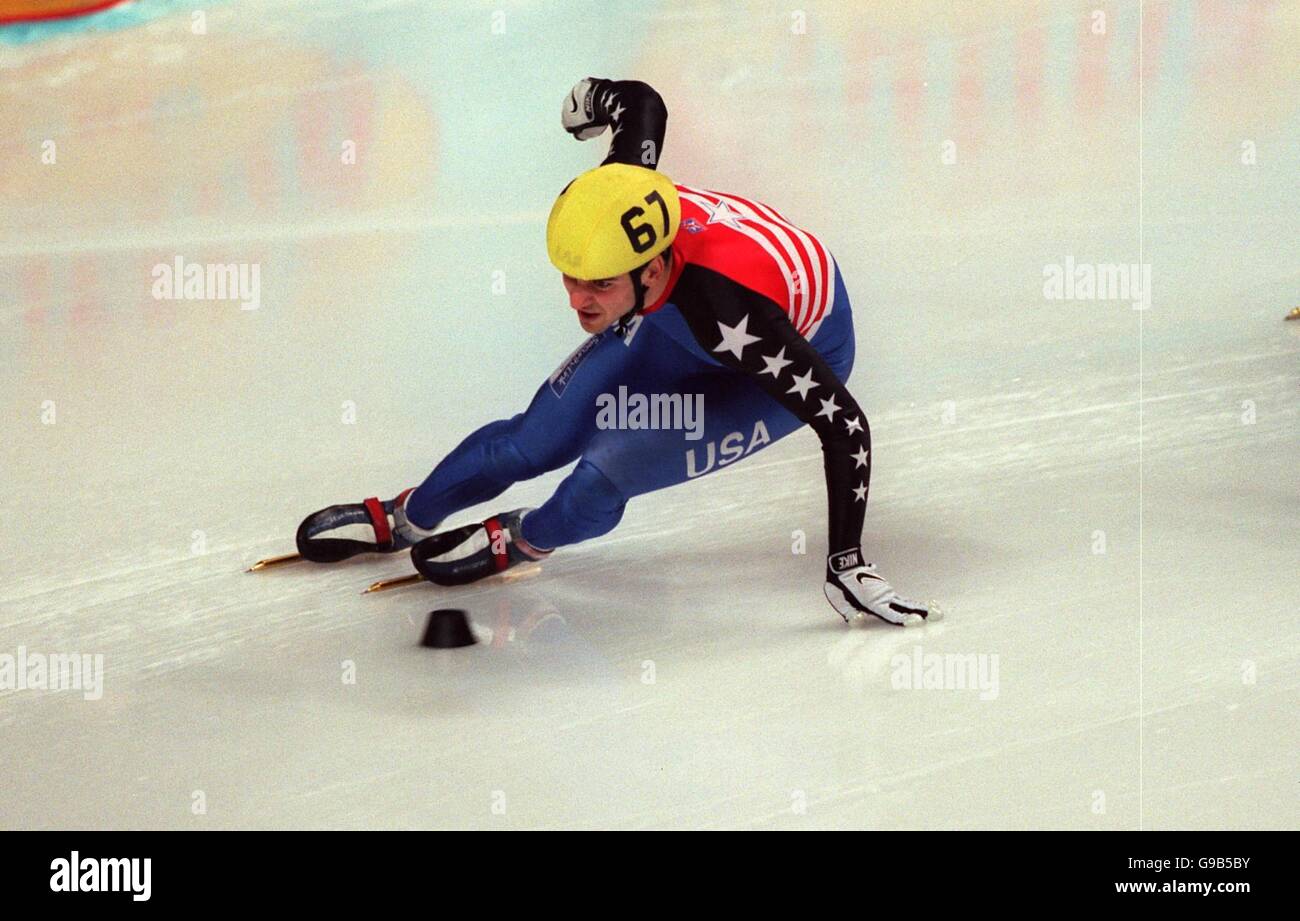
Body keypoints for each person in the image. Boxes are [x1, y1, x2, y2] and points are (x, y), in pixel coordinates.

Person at [296, 78, 935, 626]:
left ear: (650, 270)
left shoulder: (732, 314)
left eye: (599, 285)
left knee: (605, 469)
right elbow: (643, 104)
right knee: (533, 440)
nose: (579, 303)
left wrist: (845, 563)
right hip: (675, 319)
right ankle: (407, 516)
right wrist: (593, 98)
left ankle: (526, 537)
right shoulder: (620, 192)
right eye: (570, 279)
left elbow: (845, 426)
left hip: (777, 354)